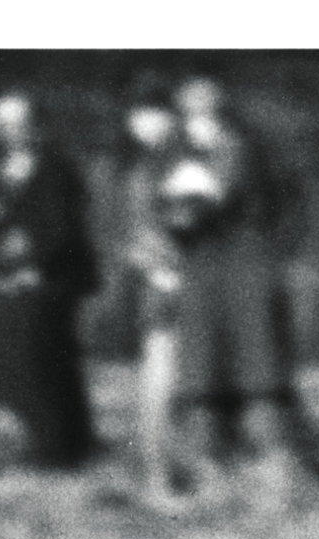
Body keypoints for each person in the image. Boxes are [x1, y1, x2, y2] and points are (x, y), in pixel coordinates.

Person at [161, 75, 300, 504]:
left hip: (244, 270)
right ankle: (212, 481)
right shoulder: (177, 151)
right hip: (202, 274)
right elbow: (167, 209)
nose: (199, 110)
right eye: (190, 103)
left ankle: (276, 480)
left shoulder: (239, 146)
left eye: (207, 101)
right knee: (202, 380)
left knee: (258, 378)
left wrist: (183, 203)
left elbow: (212, 201)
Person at [0, 91, 98, 467]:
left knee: (39, 351)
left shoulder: (58, 168)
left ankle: (55, 450)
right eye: (2, 124)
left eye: (19, 123)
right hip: (8, 276)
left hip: (54, 277)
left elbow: (63, 229)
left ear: (36, 124)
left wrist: (34, 267)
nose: (11, 131)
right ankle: (7, 443)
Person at [120, 78, 187, 502]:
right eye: (137, 116)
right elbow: (135, 233)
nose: (143, 123)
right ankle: (156, 477)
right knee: (160, 377)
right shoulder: (143, 168)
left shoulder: (172, 162)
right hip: (161, 285)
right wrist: (157, 268)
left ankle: (158, 473)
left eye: (152, 113)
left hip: (176, 279)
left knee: (163, 378)